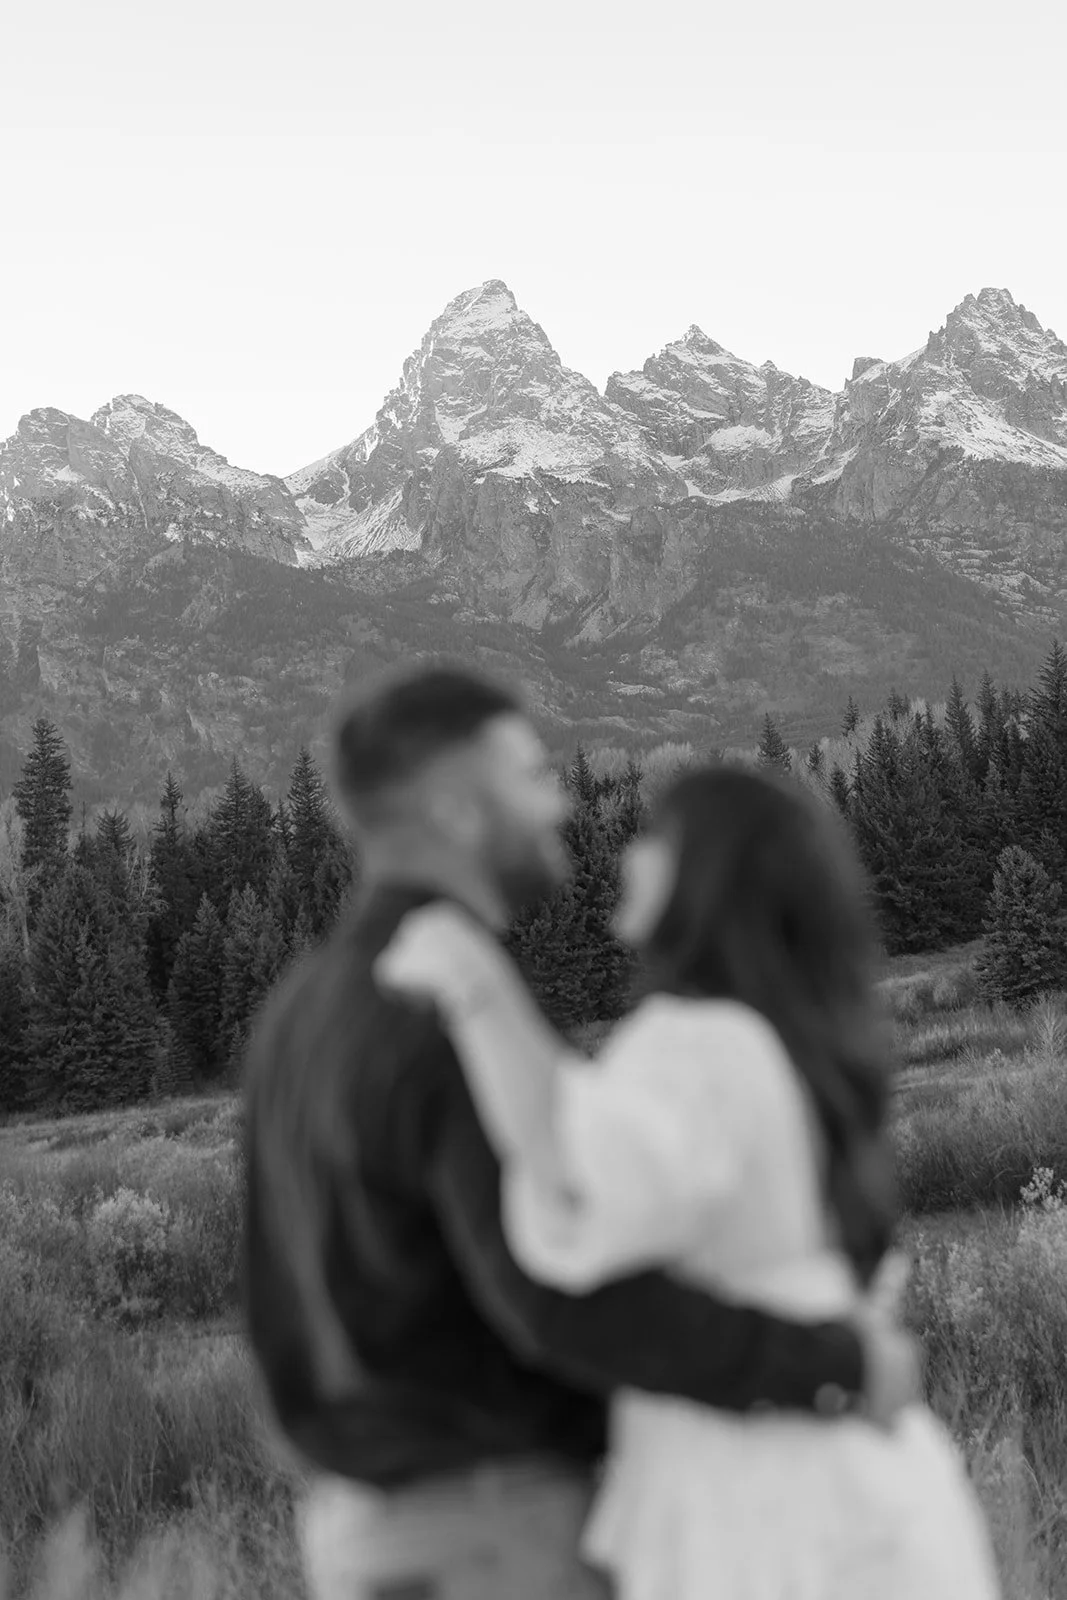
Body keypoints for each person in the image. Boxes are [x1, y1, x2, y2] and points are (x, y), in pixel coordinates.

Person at [242, 662, 920, 1600]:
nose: (557, 802)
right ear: (453, 808)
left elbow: (271, 1302)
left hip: (361, 1533)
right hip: (501, 1530)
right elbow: (556, 1295)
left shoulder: (297, 1012)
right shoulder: (444, 1003)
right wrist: (834, 1361)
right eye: (527, 774)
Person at [377, 760, 1001, 1600]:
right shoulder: (788, 1038)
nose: (627, 859)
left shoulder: (694, 1044)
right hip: (857, 1477)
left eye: (654, 841)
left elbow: (575, 1185)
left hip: (757, 1497)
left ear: (707, 874)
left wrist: (478, 989)